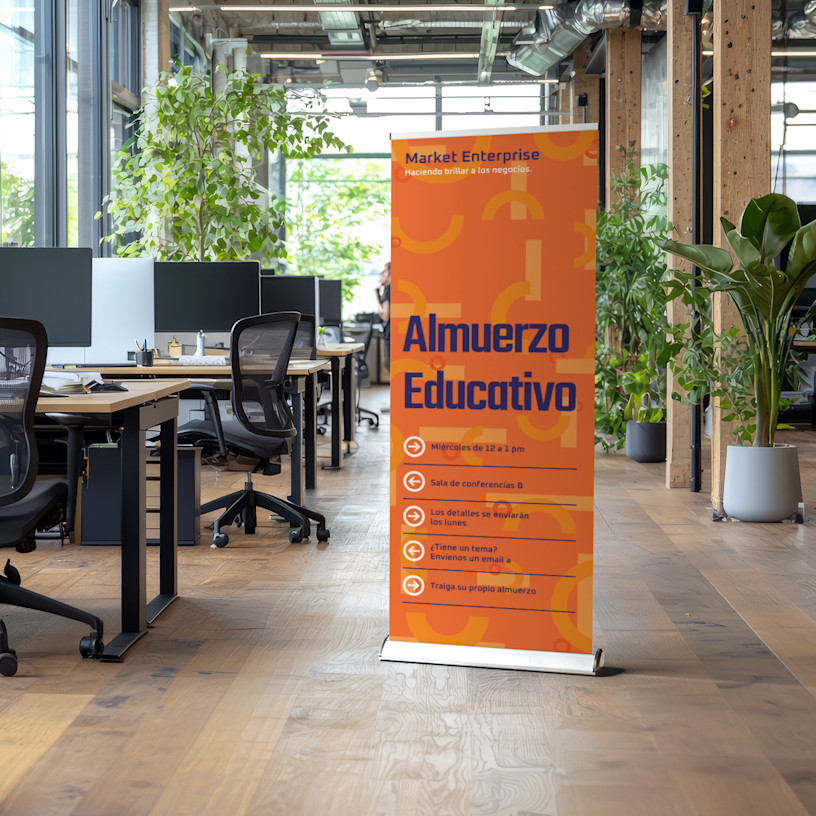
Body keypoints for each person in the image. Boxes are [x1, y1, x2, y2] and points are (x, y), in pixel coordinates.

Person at [375, 262, 391, 411]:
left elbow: (385, 315)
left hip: (391, 333)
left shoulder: (388, 289)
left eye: (385, 271)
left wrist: (378, 293)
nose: (381, 274)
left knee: (392, 367)